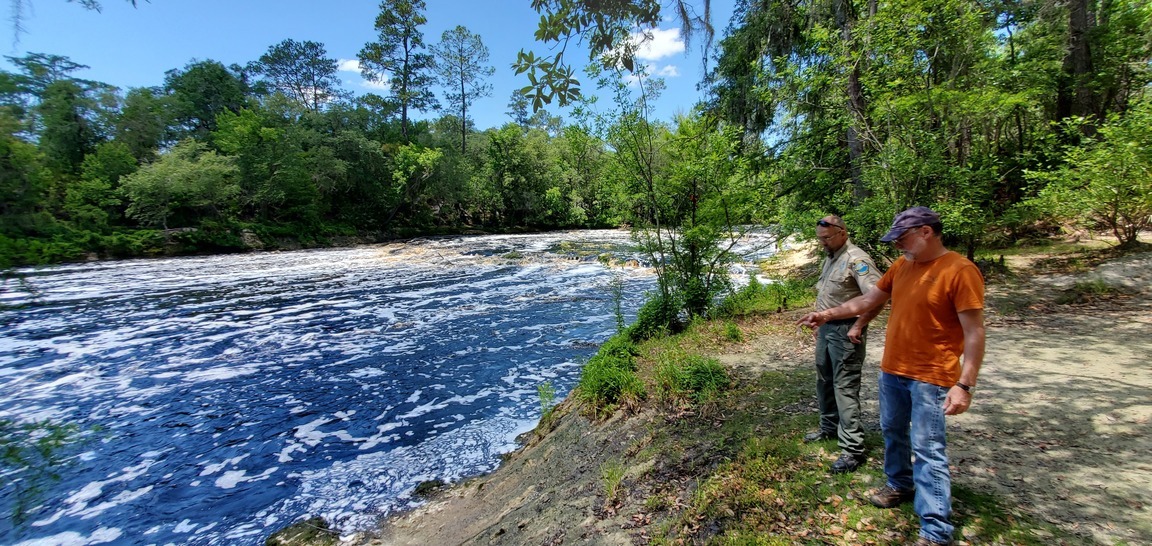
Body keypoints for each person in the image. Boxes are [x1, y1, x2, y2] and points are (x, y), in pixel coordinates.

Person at [797, 206, 986, 546]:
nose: (898, 245)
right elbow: (870, 298)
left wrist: (965, 384)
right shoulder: (902, 265)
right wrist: (826, 314)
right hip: (893, 370)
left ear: (926, 232)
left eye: (903, 238)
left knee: (928, 449)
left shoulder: (959, 270)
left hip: (931, 375)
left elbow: (974, 332)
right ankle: (899, 484)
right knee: (892, 432)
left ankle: (935, 530)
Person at [804, 215, 882, 474]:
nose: (822, 242)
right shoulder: (832, 257)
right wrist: (820, 323)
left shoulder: (856, 259)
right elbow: (830, 294)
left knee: (845, 386)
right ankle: (828, 428)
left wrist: (859, 325)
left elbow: (876, 297)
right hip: (827, 328)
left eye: (826, 238)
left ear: (842, 233)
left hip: (846, 331)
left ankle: (852, 449)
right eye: (820, 238)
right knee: (823, 380)